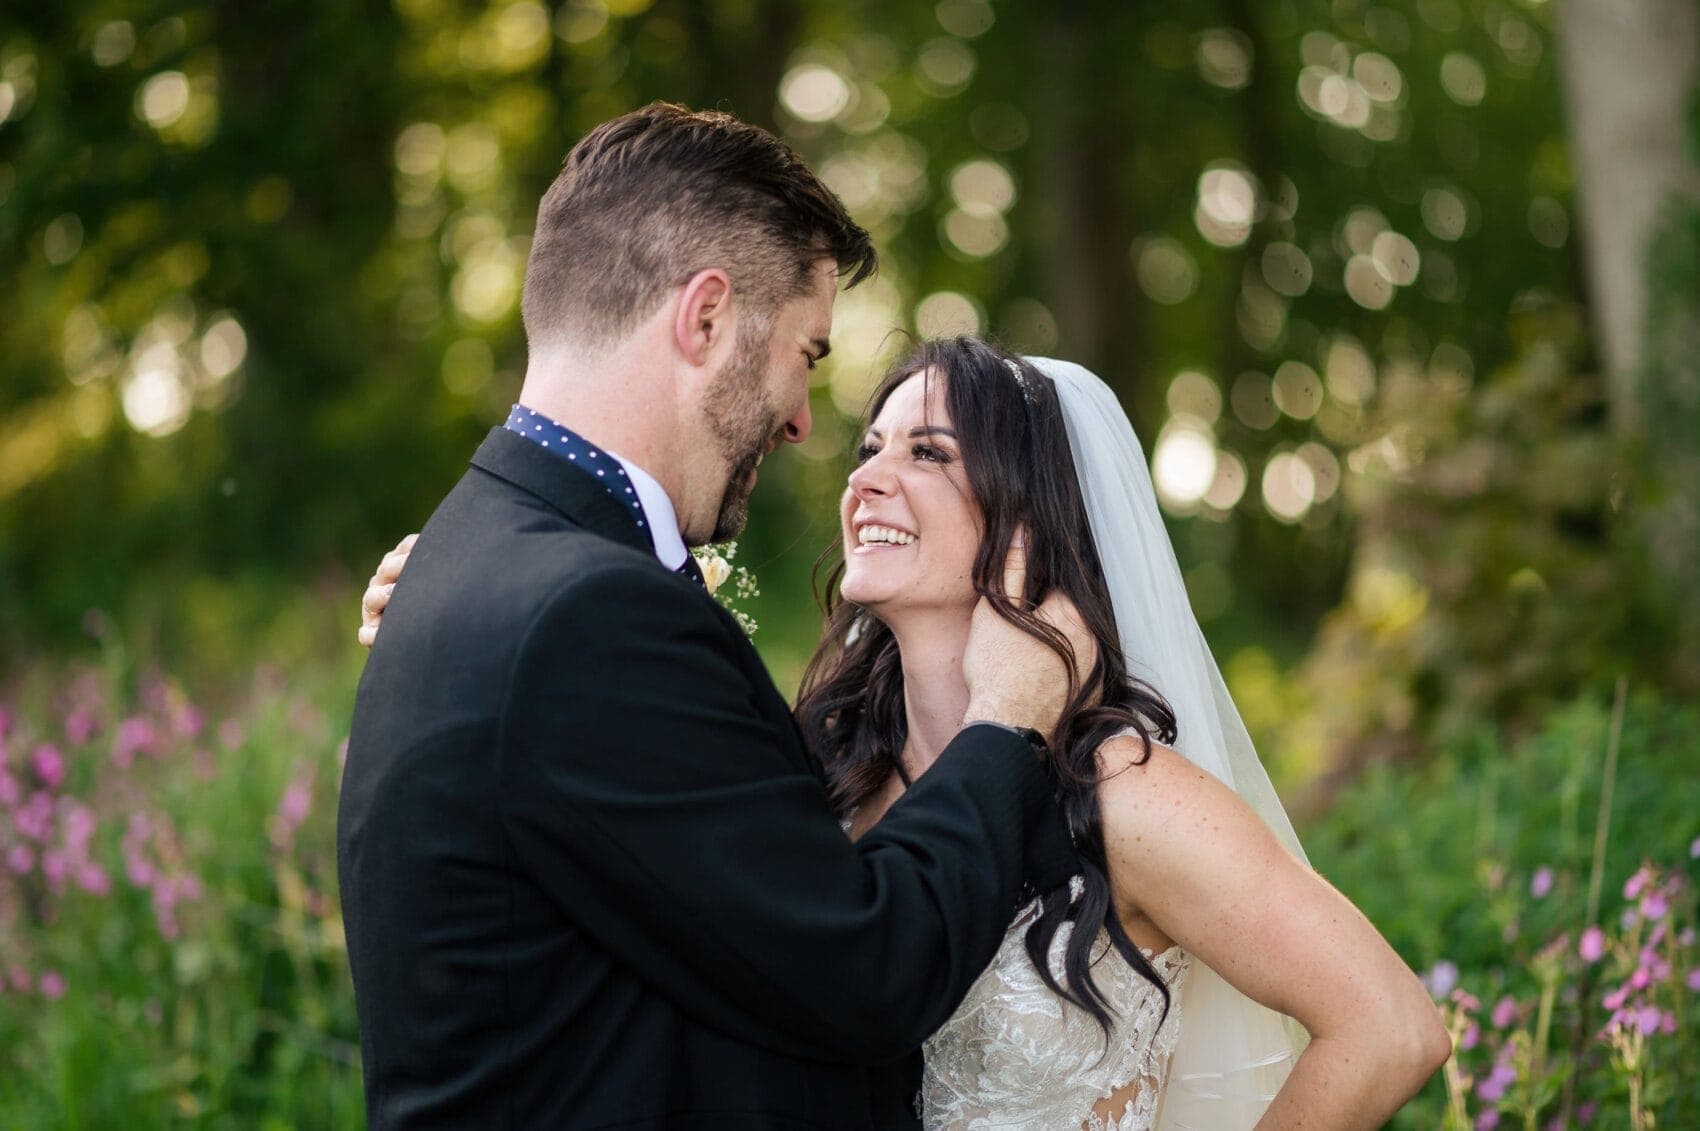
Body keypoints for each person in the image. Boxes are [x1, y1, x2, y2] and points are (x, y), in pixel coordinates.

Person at [364, 341, 1452, 1130]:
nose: (864, 476)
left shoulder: (1124, 797)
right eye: (869, 444)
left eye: (927, 452)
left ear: (1028, 514)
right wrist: (473, 618)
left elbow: (1388, 1027)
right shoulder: (825, 768)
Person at [337, 104, 1089, 1131]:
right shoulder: (581, 615)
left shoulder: (481, 559)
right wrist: (1007, 718)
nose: (801, 420)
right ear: (703, 319)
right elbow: (865, 969)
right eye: (805, 355)